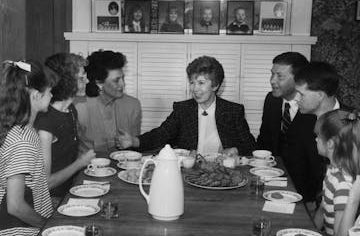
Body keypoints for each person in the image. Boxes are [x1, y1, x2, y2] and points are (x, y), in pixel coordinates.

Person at [117, 56, 256, 156]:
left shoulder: (233, 111)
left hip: (223, 171)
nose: (195, 89)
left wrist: (236, 150)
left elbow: (250, 146)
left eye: (201, 83)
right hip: (189, 171)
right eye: (191, 82)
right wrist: (133, 141)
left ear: (215, 85)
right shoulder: (182, 110)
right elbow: (161, 135)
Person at [257, 52, 324, 204]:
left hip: (307, 197)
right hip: (271, 189)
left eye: (279, 76)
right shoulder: (271, 100)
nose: (272, 80)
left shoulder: (314, 107)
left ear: (299, 79)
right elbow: (264, 141)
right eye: (272, 74)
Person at [0, 61, 56, 235]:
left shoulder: (24, 130)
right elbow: (15, 206)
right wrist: (48, 225)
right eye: (49, 91)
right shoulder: (23, 140)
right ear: (35, 95)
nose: (52, 95)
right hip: (20, 231)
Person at [34, 53, 96, 202]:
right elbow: (46, 183)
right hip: (51, 200)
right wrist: (81, 163)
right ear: (66, 82)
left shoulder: (71, 110)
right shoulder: (46, 122)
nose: (87, 80)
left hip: (70, 190)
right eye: (81, 78)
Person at [75, 50, 142, 153]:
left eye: (123, 78)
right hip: (88, 166)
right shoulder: (78, 107)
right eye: (116, 80)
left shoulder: (133, 105)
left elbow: (135, 146)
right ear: (99, 83)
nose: (123, 84)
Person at [313, 109, 360, 236]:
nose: (316, 140)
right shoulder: (332, 171)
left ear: (330, 144)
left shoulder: (342, 184)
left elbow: (339, 232)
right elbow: (322, 209)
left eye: (318, 136)